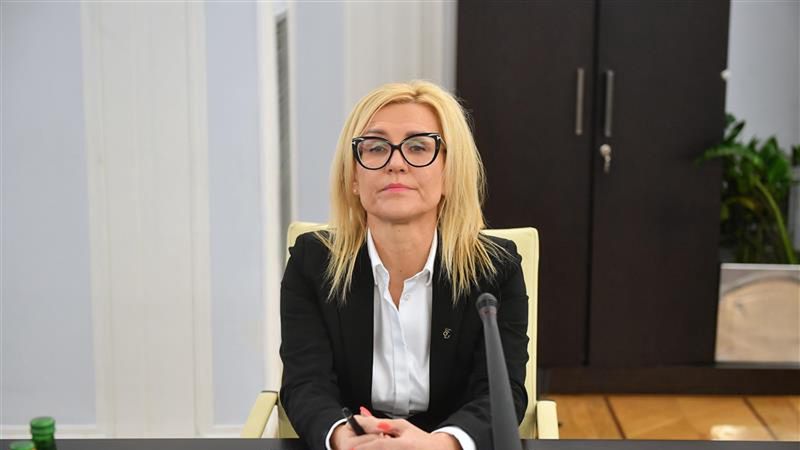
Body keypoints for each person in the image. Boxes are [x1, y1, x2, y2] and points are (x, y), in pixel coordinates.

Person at [280, 80, 529, 450]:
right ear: (353, 176)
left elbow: (501, 393)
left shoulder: (495, 270)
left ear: (449, 172)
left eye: (418, 147)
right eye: (376, 147)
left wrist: (439, 445)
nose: (396, 163)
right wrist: (344, 438)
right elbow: (305, 383)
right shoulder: (311, 263)